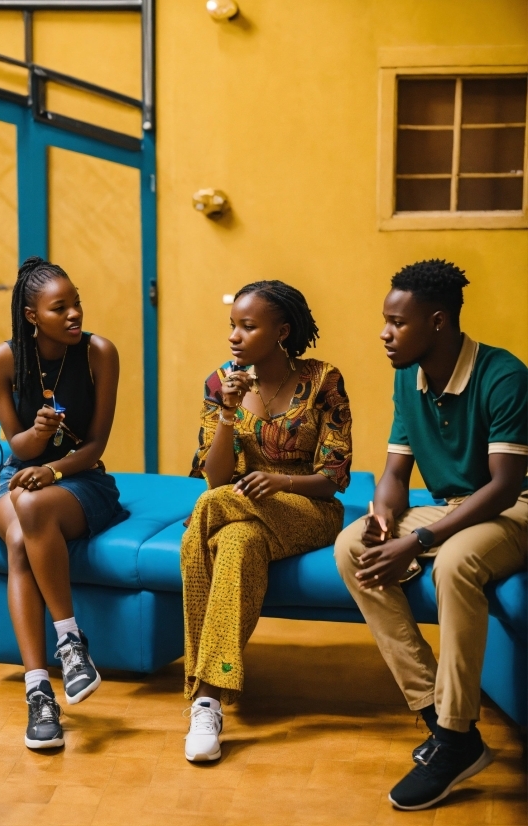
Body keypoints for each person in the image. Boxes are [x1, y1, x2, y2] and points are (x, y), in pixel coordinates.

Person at [334, 259, 528, 811]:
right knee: (352, 547)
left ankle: (454, 725)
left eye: (397, 322)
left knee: (456, 561)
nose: (384, 332)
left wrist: (417, 541)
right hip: (450, 507)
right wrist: (384, 521)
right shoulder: (408, 376)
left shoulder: (505, 376)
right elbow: (396, 474)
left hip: (516, 508)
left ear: (438, 322)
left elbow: (504, 486)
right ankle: (444, 727)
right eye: (385, 320)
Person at [181, 280, 352, 762]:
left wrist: (281, 483)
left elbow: (335, 477)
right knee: (234, 541)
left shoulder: (323, 380)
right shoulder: (221, 383)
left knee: (207, 512)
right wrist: (228, 413)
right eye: (232, 325)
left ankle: (196, 687)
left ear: (282, 330)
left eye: (247, 326)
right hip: (240, 506)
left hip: (309, 508)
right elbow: (215, 478)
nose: (234, 336)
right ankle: (208, 699)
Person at [0, 256, 129, 750]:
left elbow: (95, 445)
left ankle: (67, 639)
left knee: (33, 509)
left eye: (77, 303)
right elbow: (17, 450)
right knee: (21, 532)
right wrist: (37, 436)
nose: (74, 315)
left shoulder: (99, 353)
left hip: (79, 477)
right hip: (19, 475)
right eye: (59, 307)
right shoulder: (2, 361)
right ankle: (40, 689)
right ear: (31, 316)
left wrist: (52, 468)